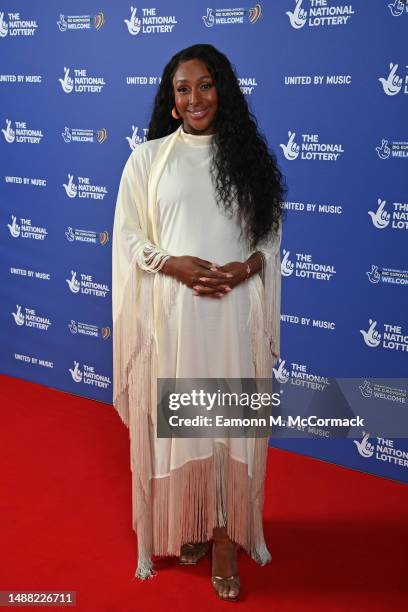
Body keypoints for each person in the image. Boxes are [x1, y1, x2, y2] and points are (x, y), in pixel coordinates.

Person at [112, 43, 286, 601]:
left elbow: (269, 239)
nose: (195, 98)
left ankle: (227, 538)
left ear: (223, 91)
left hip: (234, 318)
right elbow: (130, 236)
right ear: (171, 101)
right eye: (183, 89)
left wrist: (245, 268)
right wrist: (174, 264)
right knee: (186, 429)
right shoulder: (147, 160)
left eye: (205, 85)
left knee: (230, 425)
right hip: (175, 319)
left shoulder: (250, 161)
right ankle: (190, 523)